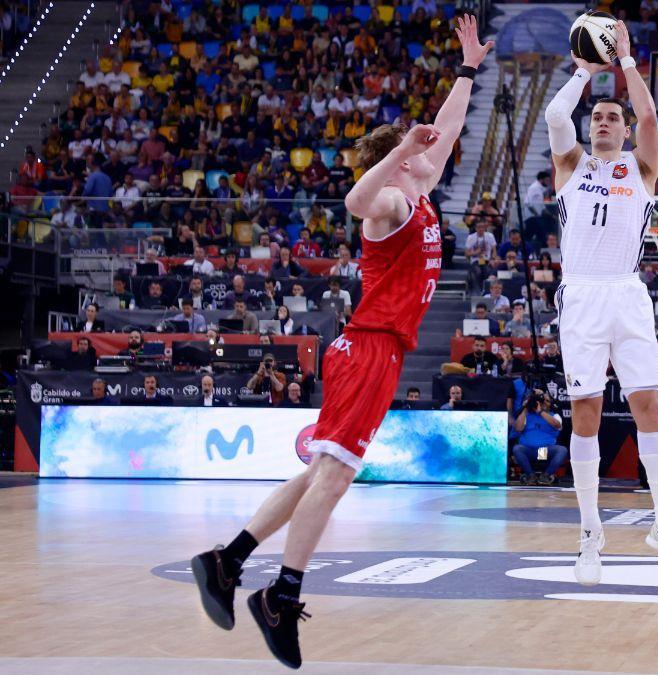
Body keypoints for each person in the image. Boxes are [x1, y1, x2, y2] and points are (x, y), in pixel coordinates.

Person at [187, 17, 491, 668]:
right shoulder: (390, 201)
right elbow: (354, 201)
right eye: (419, 146)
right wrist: (399, 147)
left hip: (374, 348)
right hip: (370, 345)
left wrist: (468, 69)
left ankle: (227, 560)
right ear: (400, 156)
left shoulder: (420, 188)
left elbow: (452, 124)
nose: (433, 146)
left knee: (319, 471)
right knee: (336, 475)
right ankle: (281, 595)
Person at [544, 20, 658, 585]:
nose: (604, 122)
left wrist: (628, 61)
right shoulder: (571, 164)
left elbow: (651, 119)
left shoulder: (642, 166)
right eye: (598, 117)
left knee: (648, 406)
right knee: (586, 412)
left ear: (625, 130)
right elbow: (555, 115)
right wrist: (584, 70)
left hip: (628, 292)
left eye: (613, 117)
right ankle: (590, 533)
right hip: (582, 293)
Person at [512, 388, 567, 485]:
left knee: (562, 450)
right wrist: (526, 408)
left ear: (550, 404)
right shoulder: (526, 415)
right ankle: (530, 476)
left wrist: (540, 412)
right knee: (517, 448)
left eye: (547, 401)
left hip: (543, 452)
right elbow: (518, 428)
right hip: (529, 451)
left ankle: (545, 476)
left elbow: (556, 424)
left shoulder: (554, 415)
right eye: (542, 400)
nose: (544, 403)